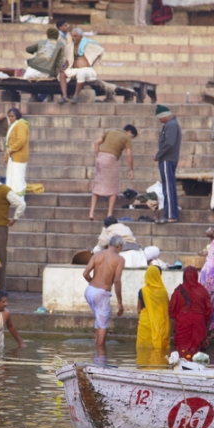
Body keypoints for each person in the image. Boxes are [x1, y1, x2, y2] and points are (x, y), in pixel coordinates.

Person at [83, 235, 125, 363]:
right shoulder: (119, 259)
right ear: (118, 246)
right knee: (103, 324)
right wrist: (119, 302)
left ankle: (96, 353)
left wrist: (93, 284)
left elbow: (85, 273)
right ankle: (100, 357)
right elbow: (117, 281)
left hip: (89, 291)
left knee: (99, 319)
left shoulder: (97, 255)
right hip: (102, 293)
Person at [89, 124, 137, 220]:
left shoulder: (110, 132)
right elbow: (129, 155)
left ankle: (91, 212)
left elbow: (96, 143)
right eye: (133, 136)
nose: (132, 138)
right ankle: (109, 214)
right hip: (111, 159)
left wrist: (99, 155)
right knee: (113, 188)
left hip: (100, 158)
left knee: (97, 185)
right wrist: (131, 169)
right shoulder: (127, 138)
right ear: (129, 132)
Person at [170, 266, 213, 360]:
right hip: (199, 322)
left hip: (183, 322)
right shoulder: (203, 291)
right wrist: (206, 330)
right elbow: (209, 310)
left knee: (182, 350)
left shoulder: (178, 291)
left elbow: (172, 311)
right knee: (197, 351)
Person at [58, 28, 103, 104]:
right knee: (62, 74)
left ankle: (75, 97)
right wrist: (64, 67)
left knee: (81, 73)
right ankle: (64, 96)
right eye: (72, 36)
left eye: (75, 36)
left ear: (81, 37)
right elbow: (67, 59)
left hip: (87, 70)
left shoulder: (87, 44)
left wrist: (91, 61)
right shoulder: (69, 46)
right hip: (75, 69)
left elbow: (100, 50)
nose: (73, 38)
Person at [154, 105, 181, 224]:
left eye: (160, 118)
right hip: (168, 159)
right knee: (168, 187)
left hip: (167, 159)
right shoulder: (171, 125)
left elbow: (169, 143)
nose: (160, 120)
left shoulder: (171, 125)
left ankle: (170, 215)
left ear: (165, 116)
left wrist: (159, 155)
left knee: (168, 188)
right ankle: (171, 213)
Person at [137, 265, 170, 353]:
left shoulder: (143, 291)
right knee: (159, 351)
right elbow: (166, 309)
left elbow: (138, 309)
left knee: (144, 351)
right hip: (160, 324)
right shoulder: (163, 292)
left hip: (145, 323)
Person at [4, 108, 29, 198]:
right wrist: (6, 156)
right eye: (9, 116)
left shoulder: (21, 125)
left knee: (18, 180)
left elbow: (21, 140)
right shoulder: (13, 125)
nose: (11, 118)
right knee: (12, 179)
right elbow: (8, 143)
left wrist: (11, 149)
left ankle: (20, 199)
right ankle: (13, 198)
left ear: (17, 116)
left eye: (12, 116)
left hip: (19, 157)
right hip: (12, 157)